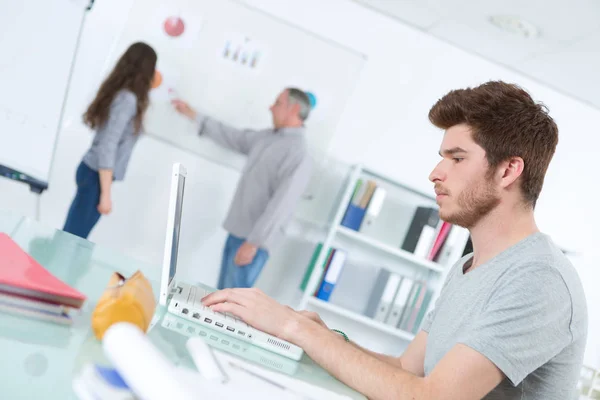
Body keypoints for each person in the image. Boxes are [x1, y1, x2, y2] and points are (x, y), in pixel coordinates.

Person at [201, 81, 588, 399]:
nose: (435, 173)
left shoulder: (539, 280)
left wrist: (293, 328)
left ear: (508, 171)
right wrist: (320, 335)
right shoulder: (469, 267)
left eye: (456, 158)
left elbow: (432, 398)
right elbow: (406, 369)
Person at [172, 88, 312, 290]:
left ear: (295, 109)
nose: (270, 107)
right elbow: (232, 136)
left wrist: (254, 243)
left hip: (254, 244)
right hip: (238, 233)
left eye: (278, 103)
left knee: (232, 305)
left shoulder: (298, 154)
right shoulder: (267, 138)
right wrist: (195, 115)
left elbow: (281, 205)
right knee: (220, 296)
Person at [63, 42, 157, 239]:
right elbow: (108, 145)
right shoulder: (128, 100)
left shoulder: (123, 95)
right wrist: (105, 194)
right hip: (95, 176)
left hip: (94, 174)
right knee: (72, 240)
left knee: (73, 237)